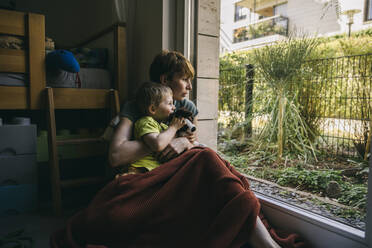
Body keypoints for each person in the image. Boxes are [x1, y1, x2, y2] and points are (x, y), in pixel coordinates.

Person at [51, 50, 302, 248]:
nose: (189, 87)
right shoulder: (136, 107)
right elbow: (116, 156)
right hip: (144, 181)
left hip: (172, 178)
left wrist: (183, 141)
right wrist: (166, 139)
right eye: (184, 79)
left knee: (210, 163)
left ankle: (255, 230)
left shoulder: (186, 108)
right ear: (165, 81)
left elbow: (189, 142)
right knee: (206, 158)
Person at [126, 82, 186, 174]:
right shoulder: (145, 122)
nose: (174, 107)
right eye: (170, 103)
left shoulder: (164, 127)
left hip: (155, 170)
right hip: (140, 170)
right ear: (153, 109)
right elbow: (158, 144)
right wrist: (173, 127)